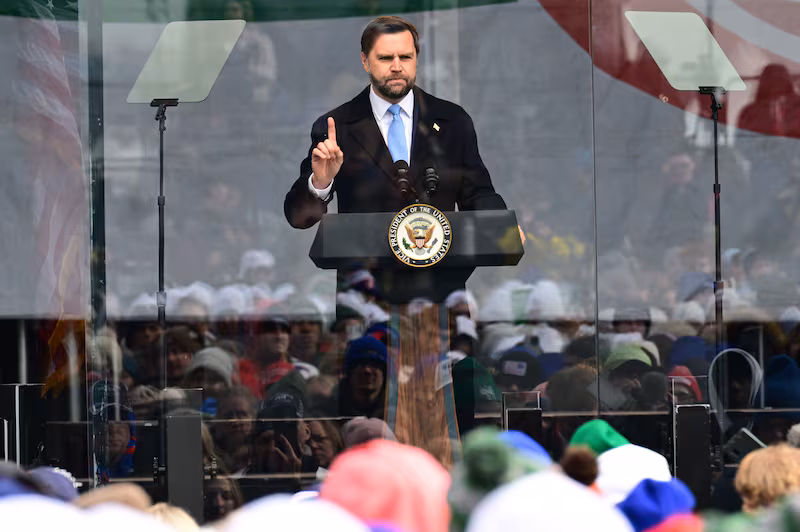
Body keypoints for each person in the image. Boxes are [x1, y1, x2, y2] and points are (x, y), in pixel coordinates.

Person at [284, 15, 506, 230]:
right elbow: (299, 218)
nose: (397, 67)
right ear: (365, 61)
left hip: (439, 265)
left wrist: (501, 227)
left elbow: (478, 193)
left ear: (417, 58)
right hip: (365, 266)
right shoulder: (336, 127)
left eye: (406, 57)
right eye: (385, 58)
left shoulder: (452, 120)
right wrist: (320, 183)